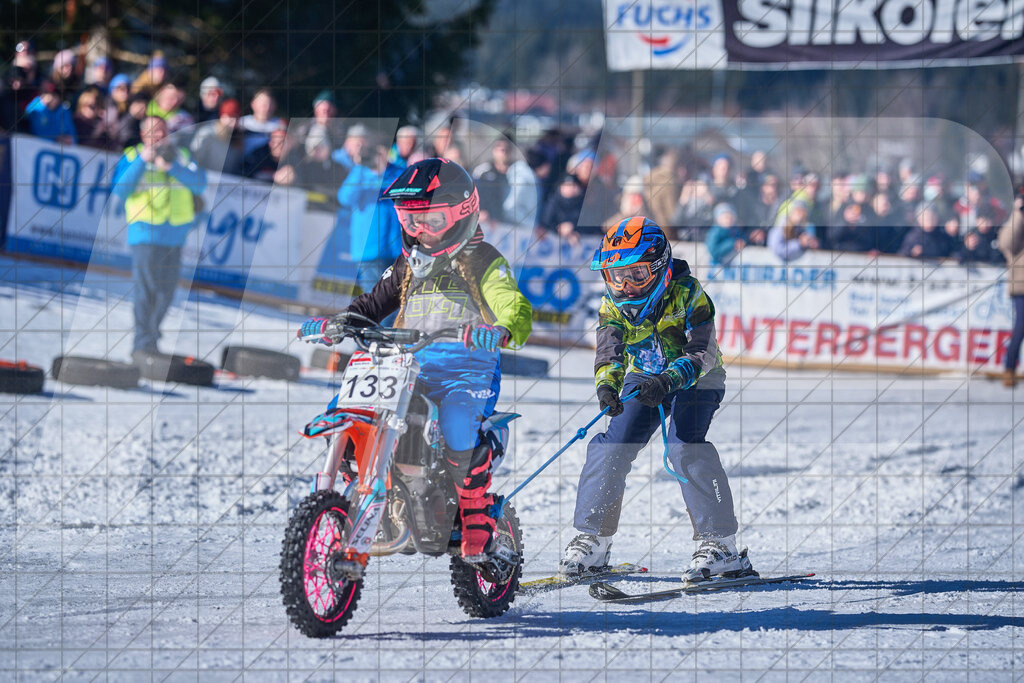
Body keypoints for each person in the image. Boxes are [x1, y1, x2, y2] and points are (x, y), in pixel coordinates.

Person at [297, 158, 533, 574]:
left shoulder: (483, 260)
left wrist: (500, 329)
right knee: (344, 406)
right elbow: (372, 303)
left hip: (466, 369)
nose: (419, 230)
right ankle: (350, 495)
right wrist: (340, 323)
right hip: (408, 366)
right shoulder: (409, 263)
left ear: (461, 214)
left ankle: (476, 518)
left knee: (460, 425)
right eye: (410, 220)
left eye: (431, 220)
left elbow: (511, 302)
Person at [559, 216, 749, 583]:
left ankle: (720, 545)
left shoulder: (688, 293)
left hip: (698, 378)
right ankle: (593, 539)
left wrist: (669, 379)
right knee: (613, 445)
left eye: (637, 274)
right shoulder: (612, 306)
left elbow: (702, 351)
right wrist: (607, 387)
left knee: (684, 446)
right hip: (643, 376)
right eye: (617, 276)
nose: (627, 286)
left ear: (660, 267)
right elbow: (609, 352)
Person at [112, 117, 208, 357]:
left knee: (166, 293)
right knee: (146, 290)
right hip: (145, 232)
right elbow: (121, 189)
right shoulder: (133, 155)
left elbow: (199, 185)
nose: (158, 136)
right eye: (153, 132)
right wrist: (144, 161)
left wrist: (171, 167)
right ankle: (142, 343)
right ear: (144, 136)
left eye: (162, 131)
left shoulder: (182, 155)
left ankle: (151, 338)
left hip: (174, 235)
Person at [335, 140, 405, 293]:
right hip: (369, 248)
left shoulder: (399, 172)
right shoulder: (360, 173)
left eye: (382, 153)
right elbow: (345, 198)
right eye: (376, 154)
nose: (379, 157)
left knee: (395, 297)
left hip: (396, 249)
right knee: (375, 296)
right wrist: (362, 166)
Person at [998, 195, 1024, 387]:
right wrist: (1017, 213)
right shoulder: (1015, 224)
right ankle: (1009, 368)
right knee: (1021, 327)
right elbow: (1006, 243)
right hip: (1021, 285)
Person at [189, 98, 245, 175]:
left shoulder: (237, 140)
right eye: (231, 117)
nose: (234, 122)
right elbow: (193, 159)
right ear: (223, 116)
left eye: (237, 118)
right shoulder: (207, 134)